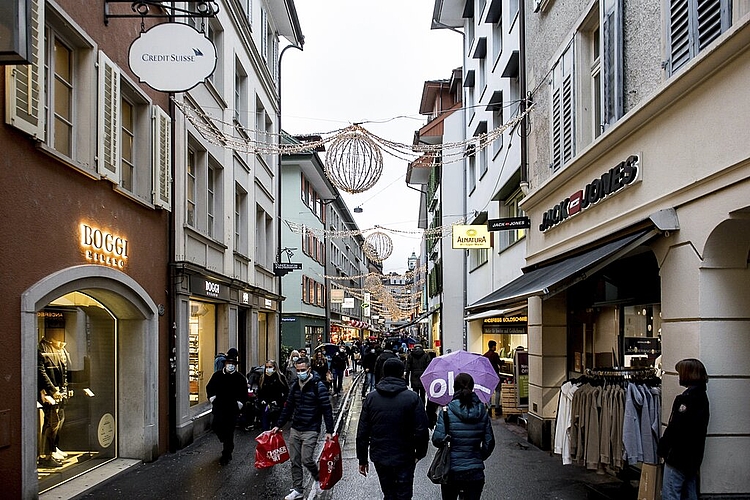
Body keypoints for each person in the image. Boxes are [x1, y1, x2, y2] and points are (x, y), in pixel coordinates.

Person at [356, 358, 429, 500]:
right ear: (402, 374)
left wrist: (362, 459)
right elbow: (422, 430)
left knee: (388, 492)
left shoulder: (371, 398)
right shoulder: (412, 398)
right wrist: (419, 453)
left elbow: (363, 431)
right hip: (405, 454)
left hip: (380, 455)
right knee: (404, 492)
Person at [272, 356, 334, 500]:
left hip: (311, 428)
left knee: (306, 459)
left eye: (303, 370)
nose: (300, 373)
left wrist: (329, 431)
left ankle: (317, 478)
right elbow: (288, 407)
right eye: (298, 370)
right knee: (294, 460)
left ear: (309, 369)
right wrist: (278, 425)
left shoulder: (318, 386)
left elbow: (327, 409)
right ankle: (298, 489)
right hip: (296, 427)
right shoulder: (295, 386)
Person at [432, 373, 495, 500]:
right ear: (472, 388)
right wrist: (478, 456)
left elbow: (437, 440)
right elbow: (489, 442)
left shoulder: (446, 411)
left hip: (451, 470)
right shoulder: (482, 411)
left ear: (454, 388)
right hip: (475, 471)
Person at [658, 358, 710, 500]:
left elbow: (676, 428)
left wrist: (663, 447)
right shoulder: (701, 397)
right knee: (689, 492)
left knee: (671, 493)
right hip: (692, 457)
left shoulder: (687, 399)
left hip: (678, 456)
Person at [206, 348, 247, 465]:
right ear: (225, 364)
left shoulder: (240, 378)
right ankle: (224, 440)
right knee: (216, 426)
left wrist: (239, 404)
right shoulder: (217, 375)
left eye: (233, 364)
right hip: (219, 407)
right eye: (229, 363)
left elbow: (243, 394)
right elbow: (210, 387)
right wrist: (212, 398)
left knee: (229, 432)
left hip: (232, 409)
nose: (231, 366)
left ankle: (226, 453)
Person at [38, 327, 72, 468]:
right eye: (60, 340)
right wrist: (51, 390)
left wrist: (67, 388)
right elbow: (41, 372)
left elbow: (65, 370)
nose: (63, 344)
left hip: (60, 391)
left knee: (59, 420)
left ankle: (54, 448)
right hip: (49, 394)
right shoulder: (43, 350)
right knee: (51, 423)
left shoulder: (60, 350)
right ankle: (47, 454)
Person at [256, 359, 288, 431]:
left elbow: (286, 392)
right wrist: (261, 400)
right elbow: (259, 392)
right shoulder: (262, 378)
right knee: (265, 427)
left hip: (276, 406)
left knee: (275, 427)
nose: (268, 369)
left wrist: (279, 401)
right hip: (265, 405)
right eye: (266, 367)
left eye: (270, 367)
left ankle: (274, 442)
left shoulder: (280, 377)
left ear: (274, 367)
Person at [482, 340, 502, 417]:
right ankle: (497, 407)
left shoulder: (485, 355)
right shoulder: (495, 355)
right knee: (497, 391)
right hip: (495, 375)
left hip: (487, 375)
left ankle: (489, 406)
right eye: (495, 346)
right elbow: (499, 362)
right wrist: (502, 362)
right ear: (493, 346)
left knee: (489, 391)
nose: (495, 347)